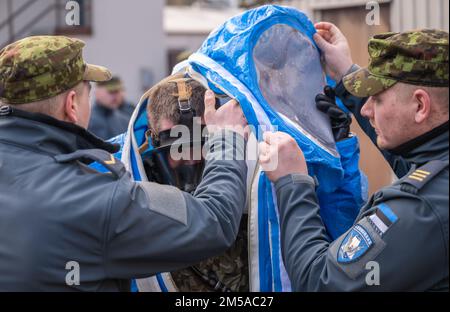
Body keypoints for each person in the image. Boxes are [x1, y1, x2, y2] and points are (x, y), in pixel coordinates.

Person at [0, 35, 248, 291]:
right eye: (89, 93)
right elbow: (214, 222)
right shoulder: (92, 196)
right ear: (72, 104)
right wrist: (227, 139)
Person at [258, 27, 449, 291]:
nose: (367, 109)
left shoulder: (422, 210)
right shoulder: (438, 167)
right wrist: (345, 74)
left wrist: (293, 182)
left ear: (420, 106)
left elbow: (319, 282)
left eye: (377, 99)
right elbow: (418, 161)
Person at [134, 77, 249, 292]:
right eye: (177, 147)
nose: (191, 158)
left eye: (201, 144)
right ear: (152, 137)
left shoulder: (247, 165)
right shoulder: (135, 186)